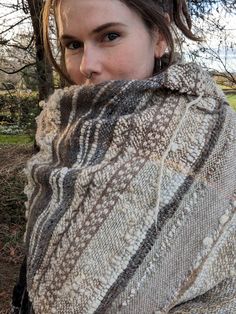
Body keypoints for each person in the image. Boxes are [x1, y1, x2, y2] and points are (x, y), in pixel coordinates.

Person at [12, 0, 236, 313]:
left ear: (159, 36)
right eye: (74, 44)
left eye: (110, 36)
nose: (86, 64)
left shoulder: (213, 136)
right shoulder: (60, 124)